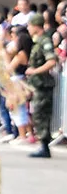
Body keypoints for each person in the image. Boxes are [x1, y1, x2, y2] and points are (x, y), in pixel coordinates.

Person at [26, 11, 56, 157]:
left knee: (40, 115)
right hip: (38, 85)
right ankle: (43, 145)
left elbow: (51, 61)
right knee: (38, 114)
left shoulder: (44, 41)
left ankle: (44, 146)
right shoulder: (38, 41)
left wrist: (35, 71)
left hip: (43, 85)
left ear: (35, 26)